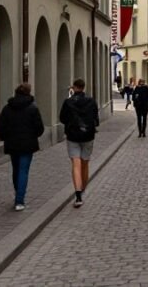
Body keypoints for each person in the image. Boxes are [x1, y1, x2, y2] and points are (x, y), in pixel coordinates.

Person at [0, 83, 45, 211]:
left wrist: (6, 137)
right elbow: (40, 128)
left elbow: (0, 128)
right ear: (29, 93)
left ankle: (18, 193)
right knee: (23, 170)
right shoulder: (33, 108)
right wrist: (33, 135)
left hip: (12, 144)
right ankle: (20, 200)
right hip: (27, 145)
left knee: (16, 169)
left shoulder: (7, 108)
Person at [58, 78, 99, 209]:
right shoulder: (91, 101)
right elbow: (96, 119)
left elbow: (62, 118)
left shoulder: (68, 102)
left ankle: (78, 195)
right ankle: (82, 190)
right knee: (85, 163)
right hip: (88, 135)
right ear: (83, 87)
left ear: (74, 88)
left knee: (76, 164)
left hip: (73, 136)